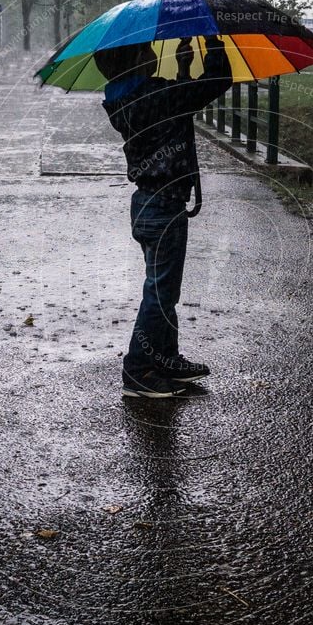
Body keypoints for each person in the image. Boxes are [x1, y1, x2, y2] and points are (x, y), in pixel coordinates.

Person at [95, 35, 233, 398]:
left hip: (150, 205)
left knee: (163, 291)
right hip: (163, 207)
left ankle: (165, 357)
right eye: (145, 51)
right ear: (132, 61)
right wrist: (213, 44)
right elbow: (217, 81)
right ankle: (139, 370)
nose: (153, 53)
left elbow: (177, 104)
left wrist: (186, 67)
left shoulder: (127, 96)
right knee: (159, 294)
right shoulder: (153, 95)